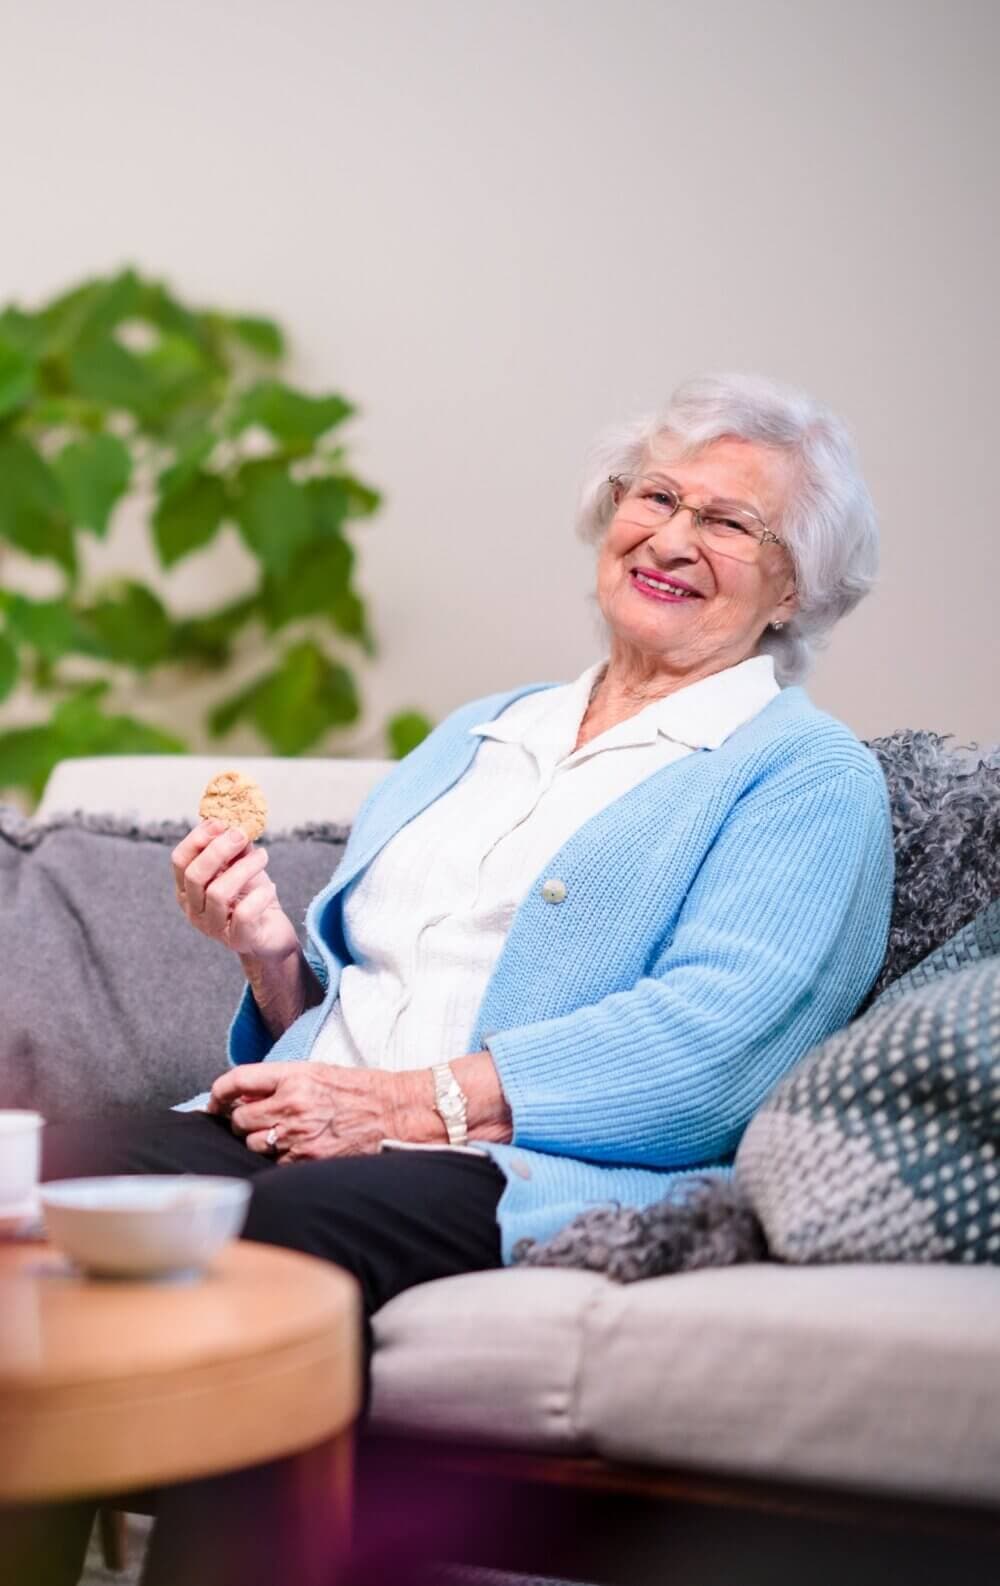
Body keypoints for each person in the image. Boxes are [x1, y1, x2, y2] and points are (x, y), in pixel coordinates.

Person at [44, 369, 894, 1385]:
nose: (671, 539)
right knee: (53, 1176)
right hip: (311, 1136)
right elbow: (372, 1001)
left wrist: (403, 1108)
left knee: (280, 1234)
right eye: (658, 496)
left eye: (728, 522)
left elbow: (716, 1049)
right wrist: (269, 955)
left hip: (515, 1169)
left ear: (794, 587)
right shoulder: (481, 730)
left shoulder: (805, 775)